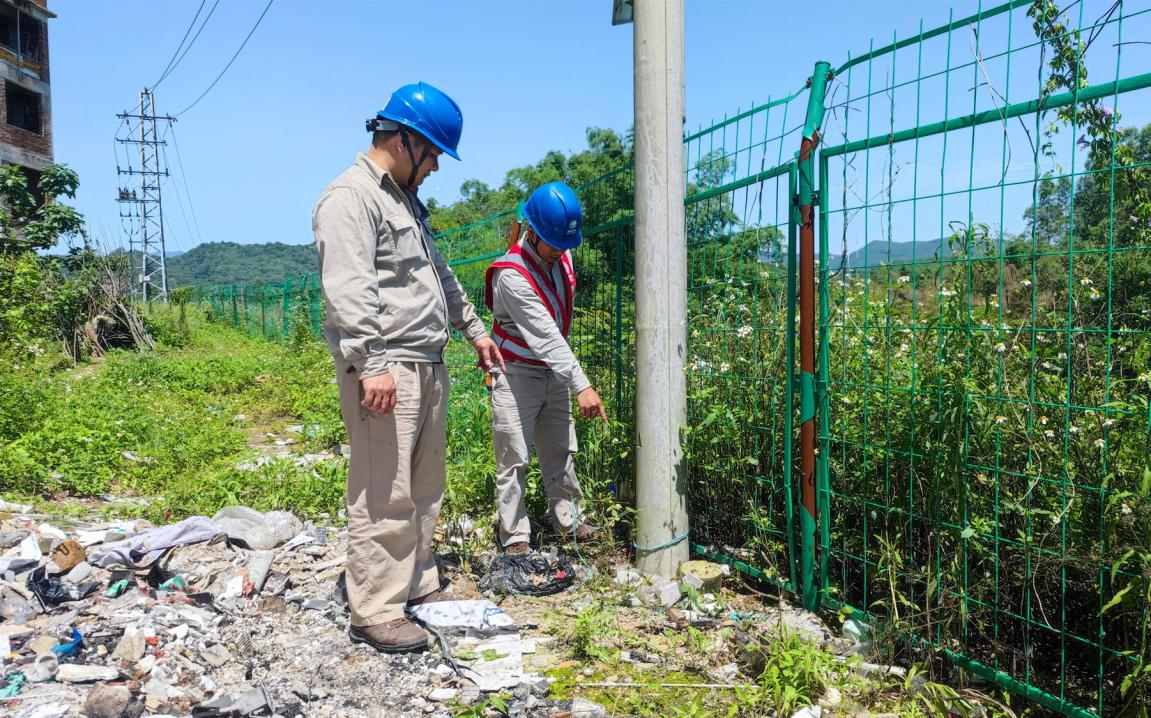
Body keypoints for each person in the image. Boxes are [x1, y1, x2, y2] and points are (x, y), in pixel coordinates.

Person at [312, 82, 504, 653]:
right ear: (406, 140)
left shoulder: (404, 201)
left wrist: (474, 329)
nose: (438, 166)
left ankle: (417, 585)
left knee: (423, 487)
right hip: (387, 366)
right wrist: (371, 364)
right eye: (436, 153)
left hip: (427, 362)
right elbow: (349, 290)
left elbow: (439, 275)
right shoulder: (350, 198)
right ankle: (375, 606)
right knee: (383, 490)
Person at [483, 181, 608, 556]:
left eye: (566, 244)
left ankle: (569, 521)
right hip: (517, 370)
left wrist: (567, 376)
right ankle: (516, 536)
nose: (560, 252)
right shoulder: (511, 276)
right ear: (533, 232)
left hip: (551, 371)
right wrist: (582, 384)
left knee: (560, 451)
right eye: (553, 243)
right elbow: (546, 336)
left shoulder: (560, 254)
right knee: (514, 455)